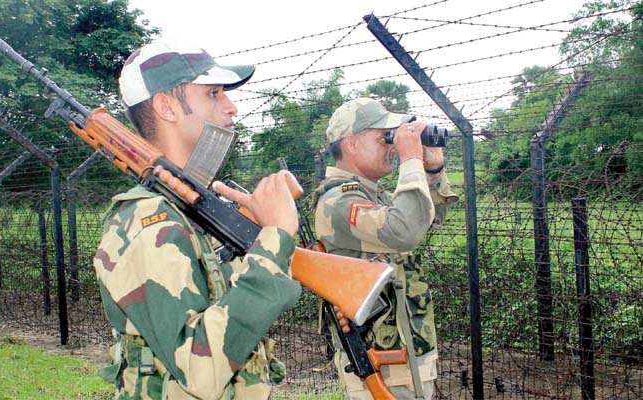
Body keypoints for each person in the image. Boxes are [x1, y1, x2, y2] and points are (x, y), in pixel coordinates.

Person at [93, 40, 302, 399]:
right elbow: (199, 369)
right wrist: (275, 237)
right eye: (214, 93)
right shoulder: (149, 220)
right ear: (167, 107)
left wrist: (256, 232)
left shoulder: (193, 210)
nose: (231, 106)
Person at [312, 98, 458, 399]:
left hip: (401, 350)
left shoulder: (371, 194)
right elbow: (402, 231)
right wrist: (410, 161)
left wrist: (432, 170)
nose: (392, 146)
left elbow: (425, 219)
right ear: (351, 144)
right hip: (379, 359)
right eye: (384, 137)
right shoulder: (338, 201)